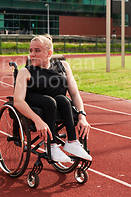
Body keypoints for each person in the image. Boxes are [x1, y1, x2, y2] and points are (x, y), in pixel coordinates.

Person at [13, 34, 92, 163]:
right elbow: (18, 101)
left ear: (49, 53)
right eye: (31, 50)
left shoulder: (63, 66)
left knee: (63, 99)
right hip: (35, 106)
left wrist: (82, 116)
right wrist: (37, 120)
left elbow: (75, 94)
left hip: (57, 106)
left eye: (37, 50)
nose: (32, 54)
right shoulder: (25, 72)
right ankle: (51, 145)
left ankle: (72, 141)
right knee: (49, 101)